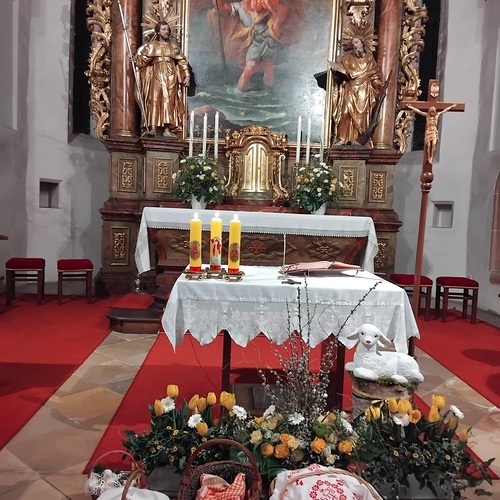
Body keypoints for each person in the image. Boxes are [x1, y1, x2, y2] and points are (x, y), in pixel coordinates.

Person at [211, 0, 293, 92]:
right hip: (257, 42)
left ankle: (269, 93)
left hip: (272, 42)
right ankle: (239, 94)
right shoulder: (239, 7)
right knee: (249, 69)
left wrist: (276, 24)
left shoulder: (263, 4)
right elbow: (221, 7)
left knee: (269, 68)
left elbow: (282, 9)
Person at [134, 20, 191, 137]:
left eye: (168, 29)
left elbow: (182, 62)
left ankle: (167, 129)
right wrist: (136, 59)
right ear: (158, 32)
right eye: (164, 29)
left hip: (171, 76)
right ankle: (153, 127)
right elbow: (142, 61)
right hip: (157, 75)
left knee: (169, 101)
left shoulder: (174, 46)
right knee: (154, 99)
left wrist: (187, 76)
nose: (167, 31)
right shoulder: (151, 46)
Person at [330, 34, 383, 146]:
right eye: (353, 43)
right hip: (349, 88)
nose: (354, 45)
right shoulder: (346, 60)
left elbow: (375, 75)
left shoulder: (369, 59)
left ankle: (358, 139)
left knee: (360, 115)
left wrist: (378, 84)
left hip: (363, 89)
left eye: (356, 42)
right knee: (345, 112)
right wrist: (335, 72)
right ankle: (342, 138)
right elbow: (340, 77)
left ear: (363, 43)